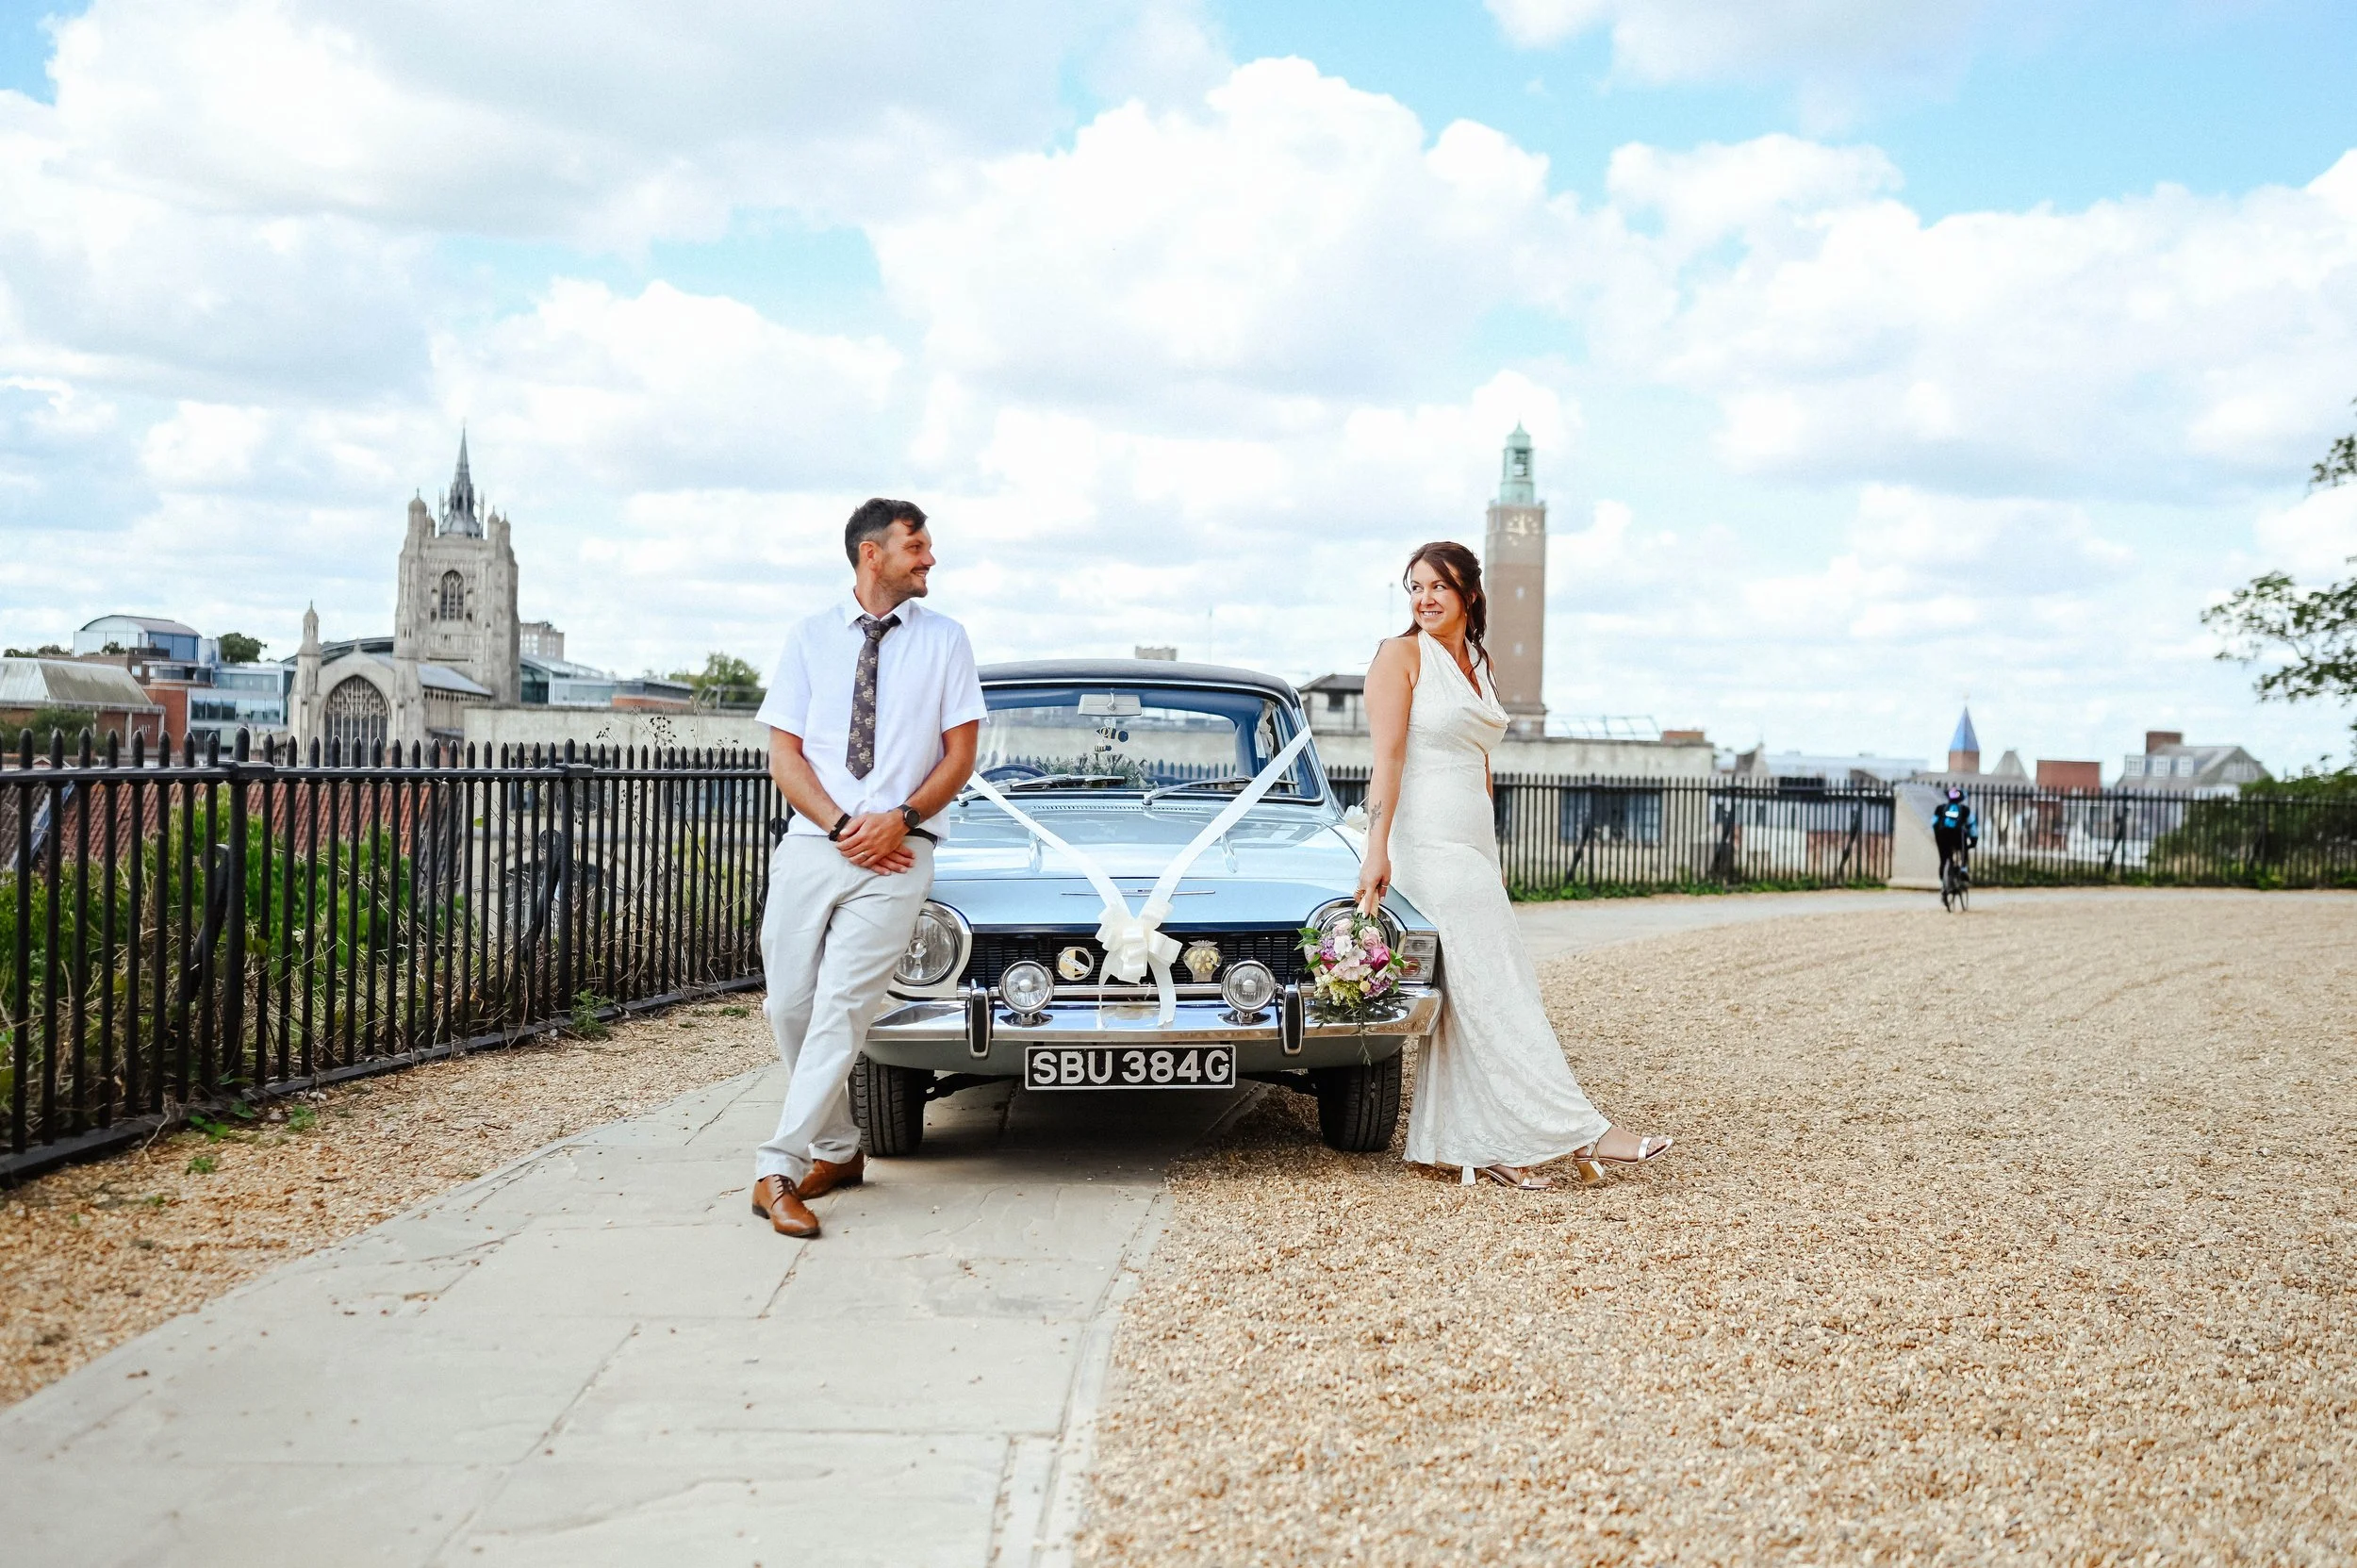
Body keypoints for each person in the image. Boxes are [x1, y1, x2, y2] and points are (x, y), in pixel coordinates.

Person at [1354, 541, 1673, 1190]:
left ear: (1469, 592)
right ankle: (1582, 1129)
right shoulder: (1399, 656)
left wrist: (1493, 856)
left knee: (1472, 995)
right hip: (1428, 843)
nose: (1425, 598)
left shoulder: (1477, 659)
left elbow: (1483, 766)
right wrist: (1376, 849)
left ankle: (1473, 1145)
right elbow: (1385, 760)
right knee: (1501, 987)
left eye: (1438, 586)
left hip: (1473, 843)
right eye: (1414, 587)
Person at [748, 498, 984, 1239]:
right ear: (871, 554)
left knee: (844, 1006)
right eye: (917, 545)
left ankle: (775, 1167)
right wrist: (845, 824)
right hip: (817, 842)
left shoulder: (947, 640)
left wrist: (901, 820)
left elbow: (960, 756)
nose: (931, 557)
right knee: (787, 1003)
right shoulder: (810, 637)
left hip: (900, 853)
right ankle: (840, 1150)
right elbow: (784, 754)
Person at [1932, 785, 1976, 886]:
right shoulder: (1965, 810)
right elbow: (1972, 827)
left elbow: (1933, 823)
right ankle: (1964, 869)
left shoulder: (1940, 808)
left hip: (1943, 836)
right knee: (1963, 850)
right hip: (1957, 837)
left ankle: (1944, 885)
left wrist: (1938, 835)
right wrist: (1974, 841)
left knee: (1944, 859)